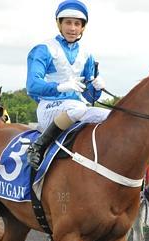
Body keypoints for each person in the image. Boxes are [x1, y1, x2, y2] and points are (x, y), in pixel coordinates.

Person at [25, 0, 108, 170]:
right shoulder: (43, 49)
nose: (72, 28)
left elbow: (88, 97)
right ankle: (38, 147)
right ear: (59, 24)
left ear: (82, 27)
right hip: (49, 107)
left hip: (78, 107)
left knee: (112, 117)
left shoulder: (87, 55)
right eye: (68, 23)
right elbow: (32, 85)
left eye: (77, 24)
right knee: (76, 109)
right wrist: (60, 87)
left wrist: (96, 88)